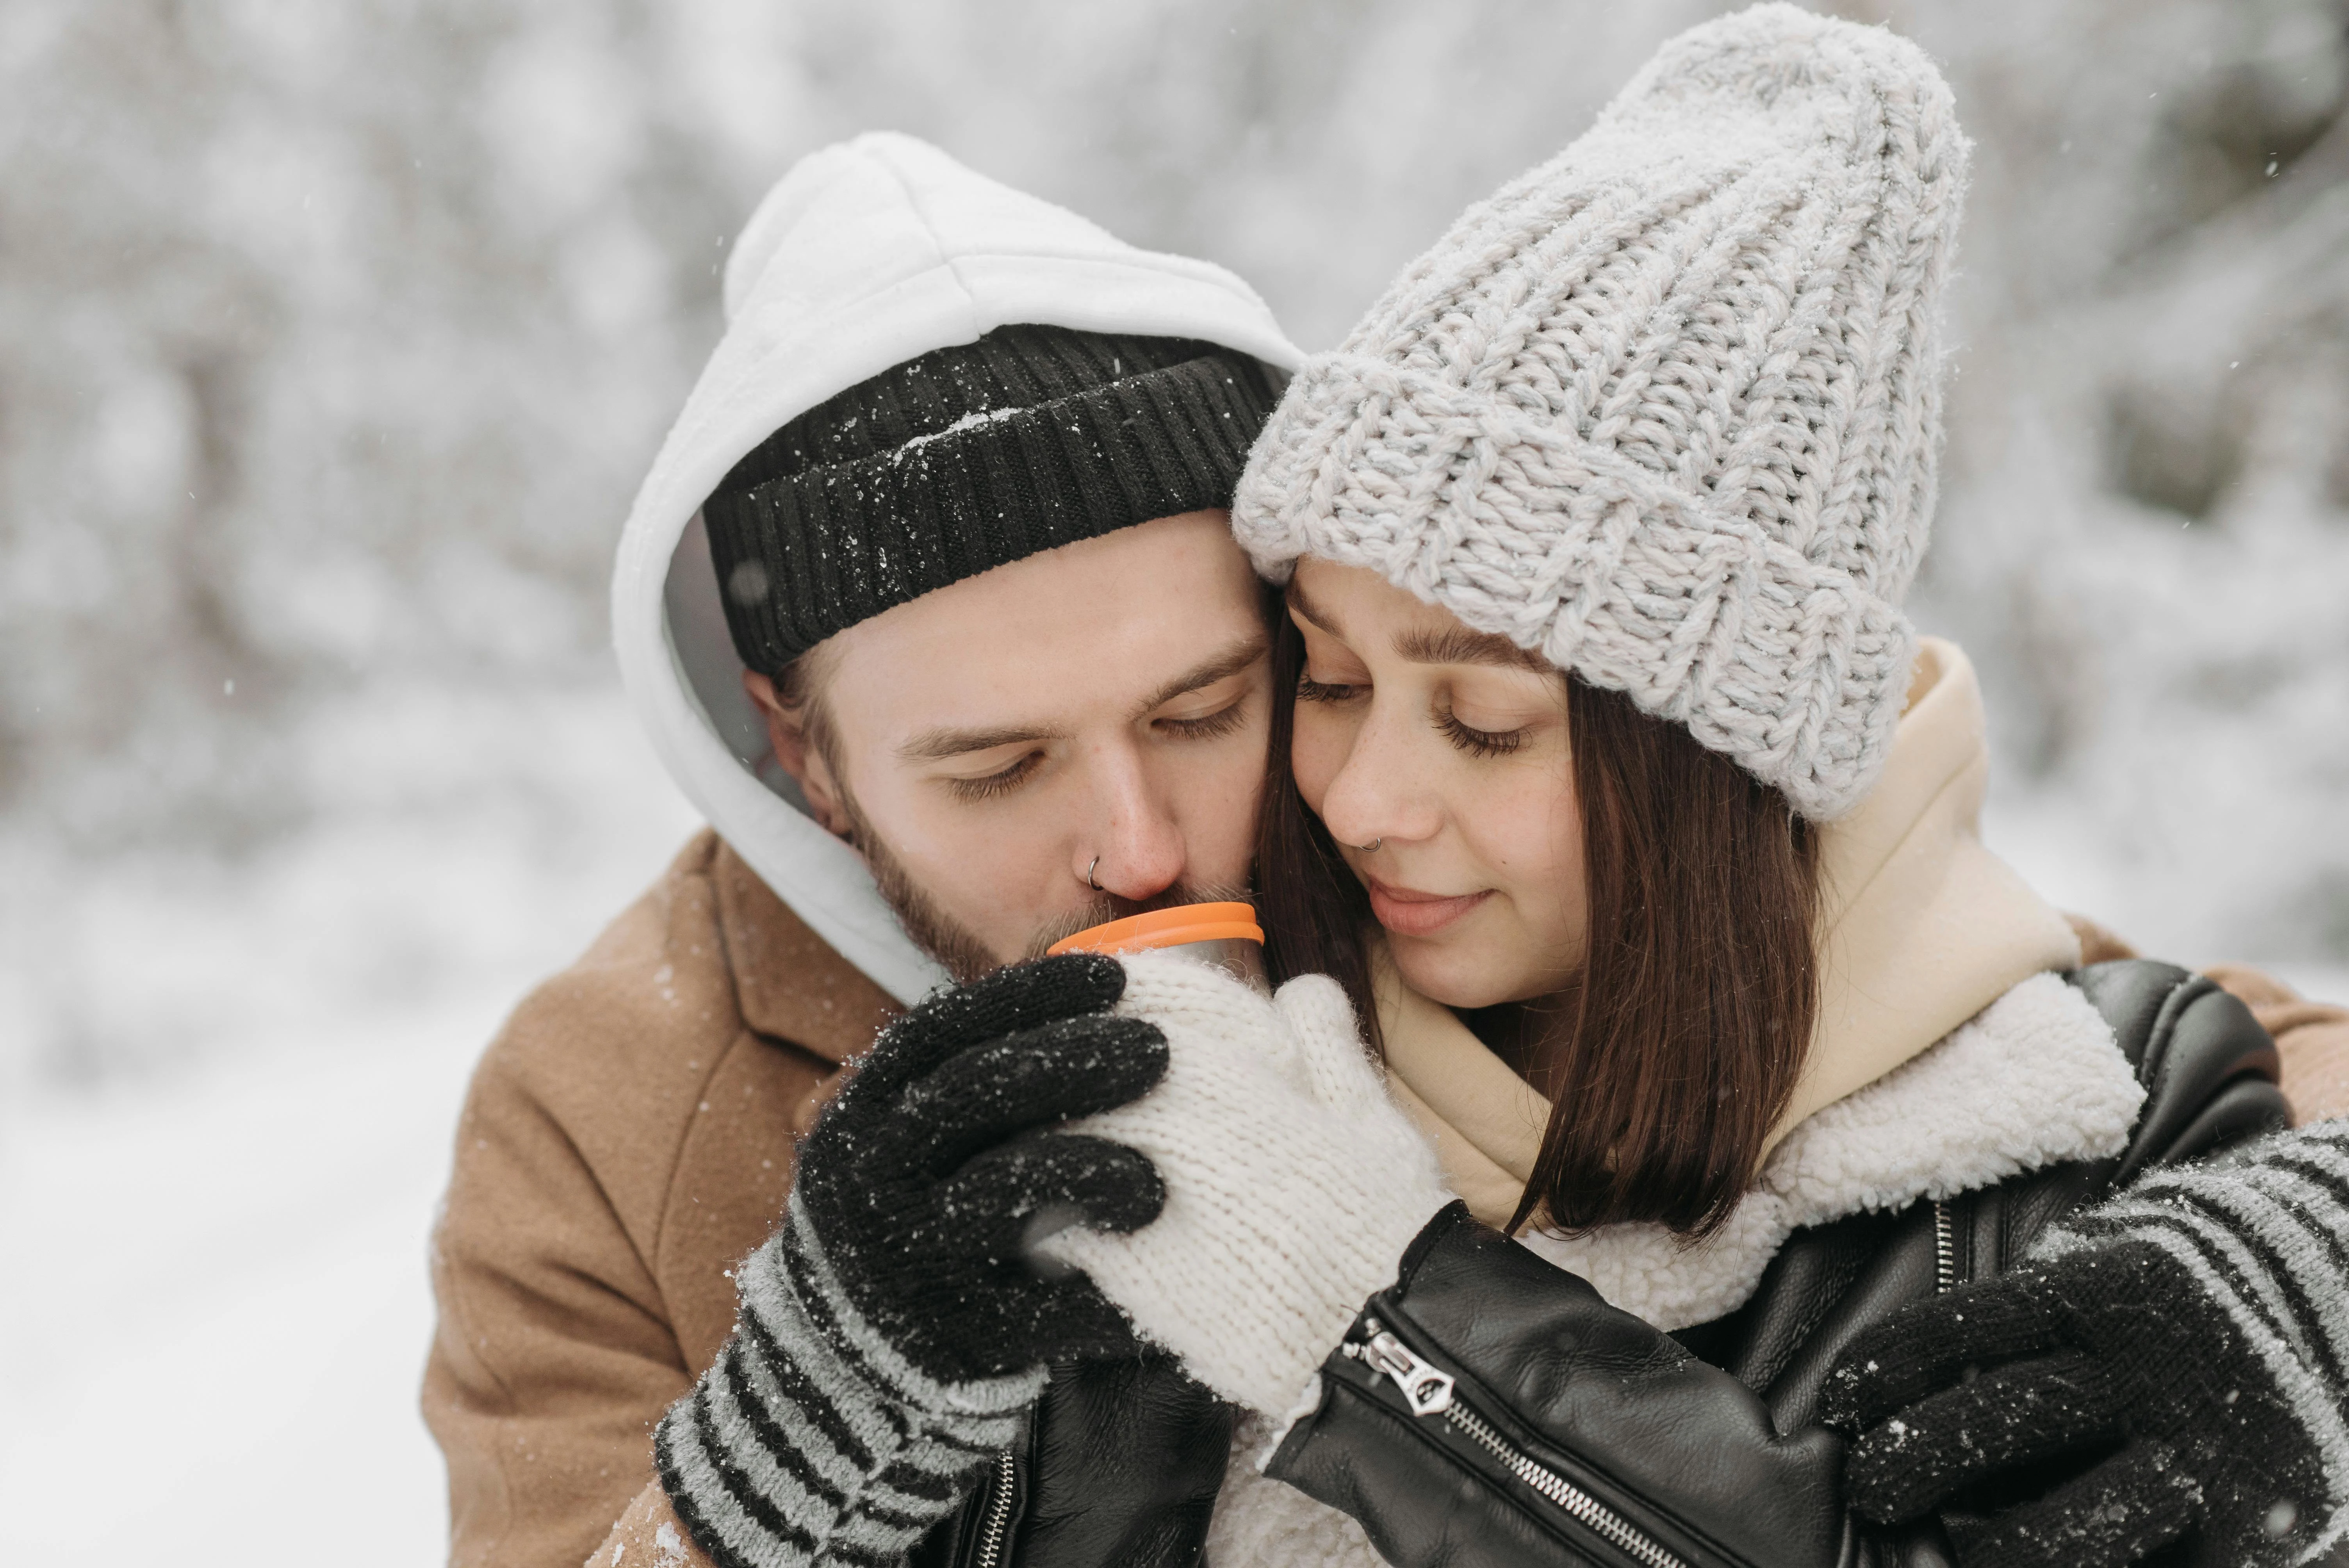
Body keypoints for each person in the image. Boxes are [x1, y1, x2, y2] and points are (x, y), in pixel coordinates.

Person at [636, 10, 2349, 1568]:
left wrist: (1383, 1323)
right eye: (1330, 677)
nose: (1359, 801)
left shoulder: (2087, 1124)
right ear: (808, 758)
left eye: (1483, 722)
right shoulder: (1073, 1116)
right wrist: (806, 1447)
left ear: (1717, 765)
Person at [422, 131, 1303, 1568]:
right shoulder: (597, 1111)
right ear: (806, 754)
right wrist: (799, 1447)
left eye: (1203, 713)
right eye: (998, 770)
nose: (1142, 852)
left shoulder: (1454, 899)